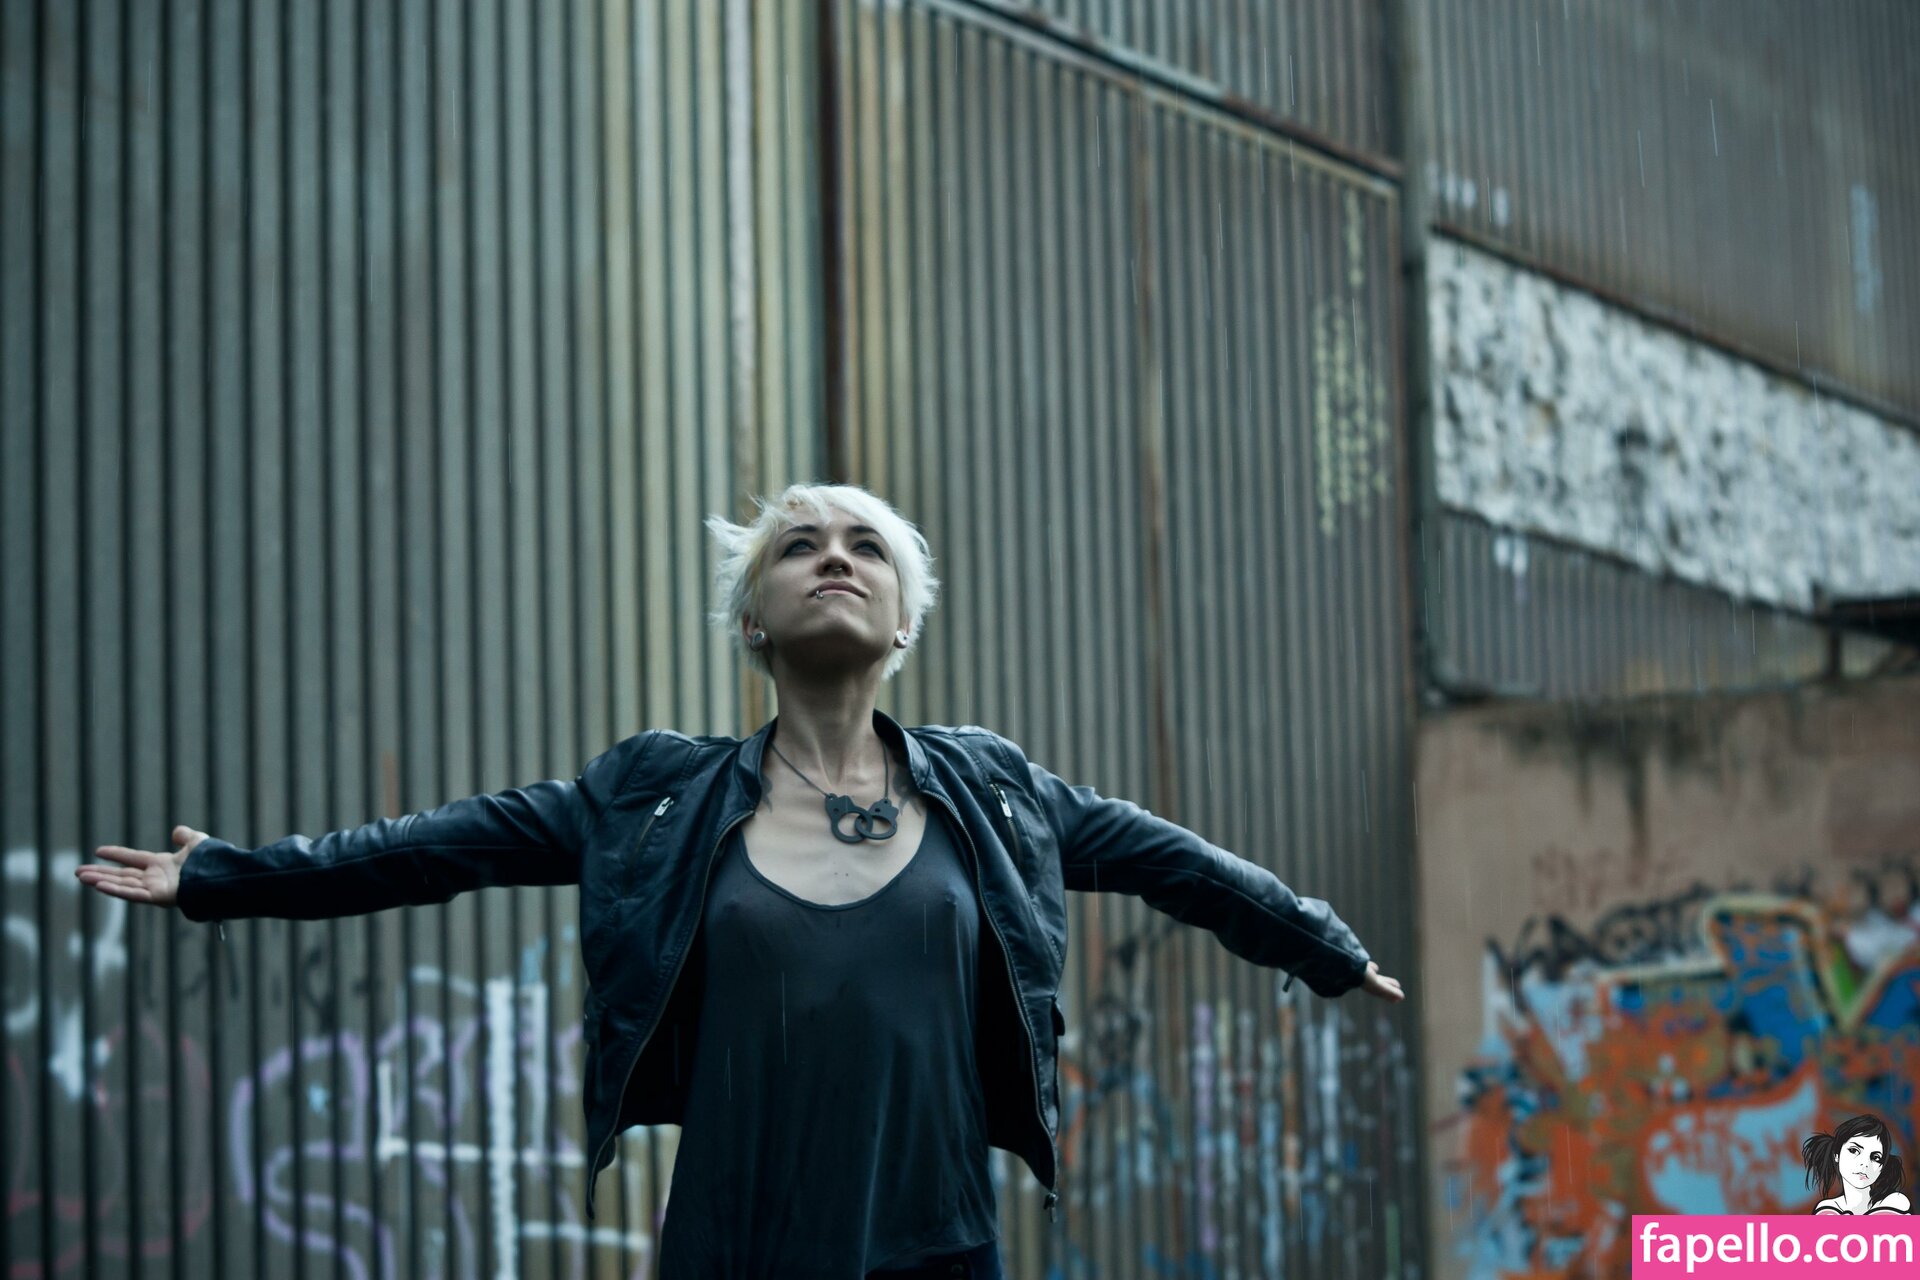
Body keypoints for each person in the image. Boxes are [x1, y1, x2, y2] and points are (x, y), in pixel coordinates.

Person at [76, 481, 1406, 1278]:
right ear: (754, 619)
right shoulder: (654, 799)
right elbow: (440, 846)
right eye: (798, 542)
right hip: (734, 1247)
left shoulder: (995, 793)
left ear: (902, 618)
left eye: (865, 545)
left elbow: (1179, 862)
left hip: (936, 1249)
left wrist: (1323, 944)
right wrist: (227, 877)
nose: (834, 554)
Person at [1804, 1114, 1911, 1214]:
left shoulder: (1896, 1203)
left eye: (1875, 1157)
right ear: (1836, 1155)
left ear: (1881, 1167)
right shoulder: (1827, 1209)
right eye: (1854, 1150)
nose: (1865, 1163)